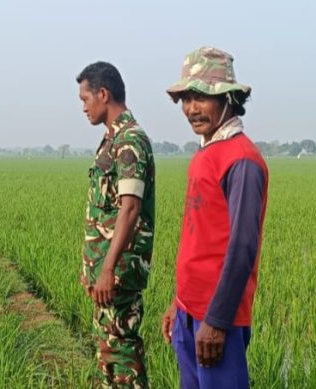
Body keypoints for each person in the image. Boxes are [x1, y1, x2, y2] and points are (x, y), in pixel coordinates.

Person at [160, 47, 269, 389]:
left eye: (202, 97)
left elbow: (242, 247)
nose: (191, 108)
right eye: (186, 98)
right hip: (189, 312)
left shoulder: (241, 160)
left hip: (217, 319)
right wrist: (178, 303)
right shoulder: (208, 151)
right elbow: (201, 240)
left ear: (228, 99)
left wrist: (217, 322)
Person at [76, 61, 156, 388]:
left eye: (85, 99)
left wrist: (107, 269)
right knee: (108, 349)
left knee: (121, 350)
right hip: (106, 271)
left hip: (119, 272)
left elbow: (130, 208)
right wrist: (95, 269)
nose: (84, 108)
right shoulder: (112, 139)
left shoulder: (129, 141)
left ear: (103, 94)